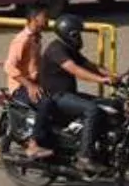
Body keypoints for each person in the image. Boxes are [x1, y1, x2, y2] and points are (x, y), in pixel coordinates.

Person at [38, 13, 119, 173]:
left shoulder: (69, 48)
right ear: (69, 34)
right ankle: (84, 157)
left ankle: (99, 148)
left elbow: (90, 65)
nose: (80, 38)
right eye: (77, 34)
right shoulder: (56, 49)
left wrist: (113, 75)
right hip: (56, 97)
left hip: (68, 94)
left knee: (107, 105)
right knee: (92, 110)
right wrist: (101, 80)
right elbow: (75, 69)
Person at [2, 4, 53, 159]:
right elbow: (9, 66)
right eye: (45, 17)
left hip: (33, 84)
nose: (48, 20)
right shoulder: (22, 40)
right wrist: (30, 86)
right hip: (20, 87)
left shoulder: (37, 39)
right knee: (45, 103)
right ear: (34, 19)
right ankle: (32, 145)